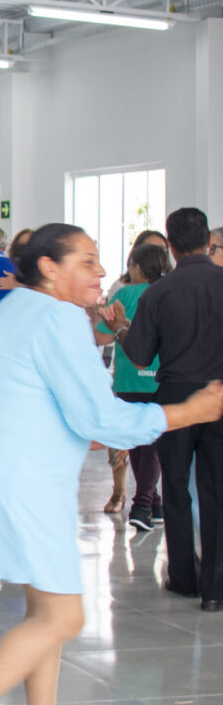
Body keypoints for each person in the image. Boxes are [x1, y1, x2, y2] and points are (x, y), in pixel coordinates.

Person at [0, 224, 223, 705]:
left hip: (0, 475)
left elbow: (33, 396)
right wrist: (192, 411)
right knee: (64, 618)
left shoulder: (17, 308)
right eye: (87, 261)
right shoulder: (59, 318)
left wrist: (80, 427)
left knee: (43, 612)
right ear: (50, 267)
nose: (102, 271)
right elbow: (104, 417)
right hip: (26, 484)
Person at [110, 207, 223, 610]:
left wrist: (122, 327)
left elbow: (140, 356)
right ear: (208, 241)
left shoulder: (159, 292)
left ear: (171, 247)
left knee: (174, 489)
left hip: (174, 399)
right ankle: (215, 588)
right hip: (220, 397)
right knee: (216, 491)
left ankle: (184, 578)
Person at [95, 243, 170, 528]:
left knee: (139, 444)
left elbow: (102, 338)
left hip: (129, 379)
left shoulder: (124, 294)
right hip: (161, 377)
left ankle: (142, 505)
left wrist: (99, 317)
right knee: (149, 444)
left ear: (135, 267)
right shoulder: (166, 292)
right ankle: (154, 503)